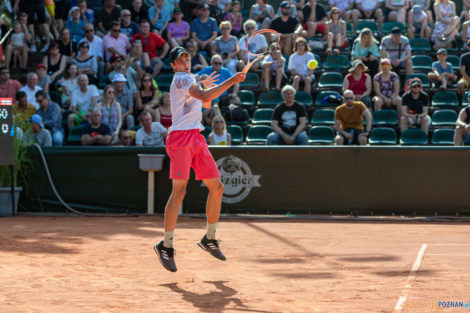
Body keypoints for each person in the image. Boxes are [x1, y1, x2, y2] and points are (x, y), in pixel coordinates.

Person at [154, 47, 246, 272]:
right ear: (174, 66)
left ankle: (210, 239)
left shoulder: (191, 79)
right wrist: (231, 80)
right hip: (180, 139)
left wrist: (205, 85)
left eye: (187, 59)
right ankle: (165, 245)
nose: (185, 63)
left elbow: (204, 101)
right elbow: (205, 97)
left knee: (217, 187)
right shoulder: (182, 79)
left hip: (196, 137)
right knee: (179, 192)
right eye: (180, 60)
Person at [197, 54, 240, 121]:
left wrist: (234, 93)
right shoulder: (206, 70)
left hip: (223, 97)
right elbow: (196, 77)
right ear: (211, 63)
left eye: (220, 63)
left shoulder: (225, 71)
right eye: (216, 63)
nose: (218, 65)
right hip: (211, 97)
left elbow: (236, 83)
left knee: (236, 100)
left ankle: (235, 120)